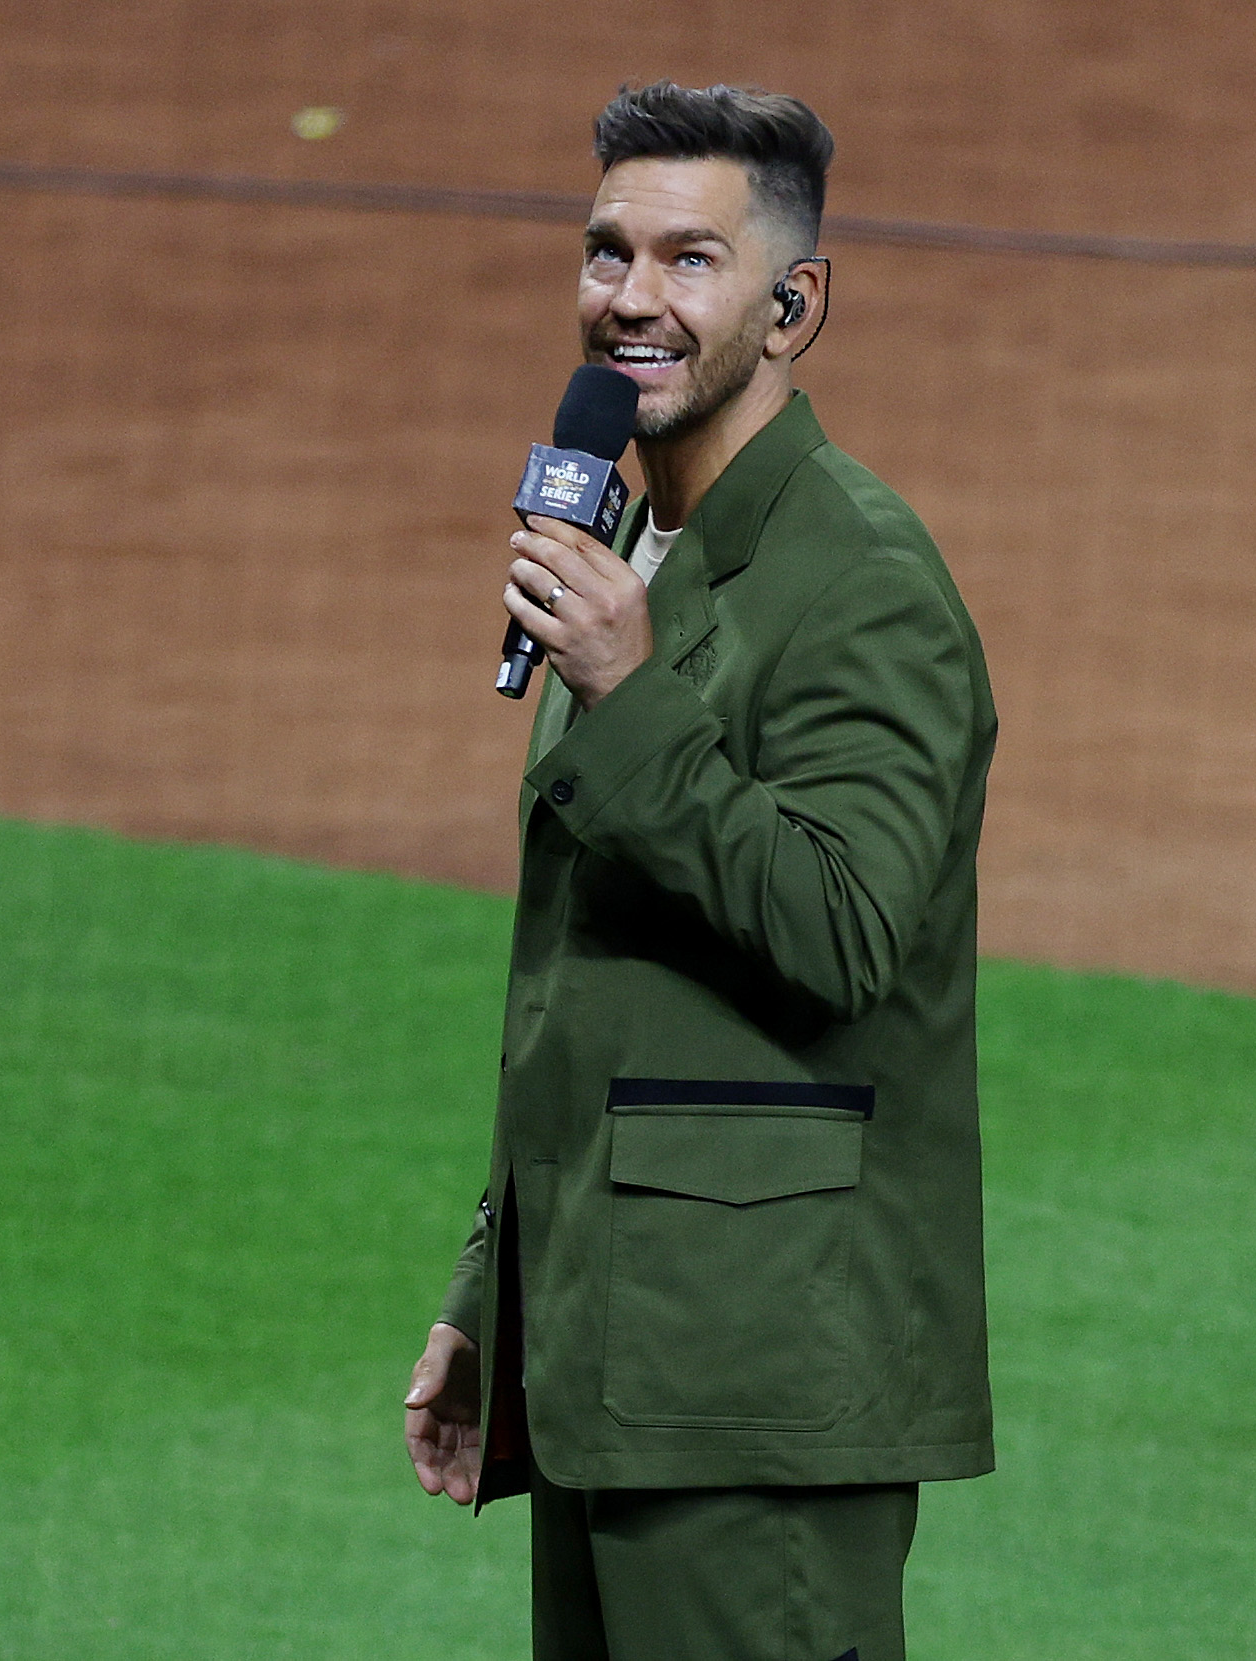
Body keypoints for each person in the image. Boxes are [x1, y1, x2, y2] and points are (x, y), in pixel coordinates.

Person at [403, 81, 996, 1661]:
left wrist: (630, 693)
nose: (630, 300)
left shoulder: (862, 579)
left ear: (794, 305)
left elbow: (846, 927)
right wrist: (495, 1284)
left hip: (758, 1390)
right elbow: (609, 988)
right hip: (614, 1363)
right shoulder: (640, 554)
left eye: (689, 260)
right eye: (608, 254)